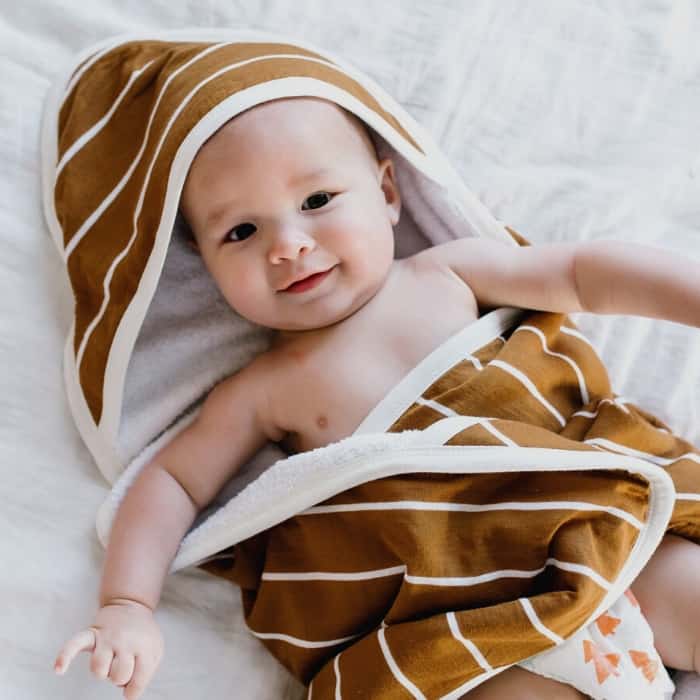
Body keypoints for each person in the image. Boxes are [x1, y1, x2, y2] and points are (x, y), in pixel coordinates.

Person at [53, 96, 700, 700]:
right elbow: (172, 482)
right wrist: (127, 604)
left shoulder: (447, 271)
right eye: (242, 231)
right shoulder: (259, 391)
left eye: (317, 198)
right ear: (208, 266)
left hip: (590, 519)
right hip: (465, 612)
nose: (287, 245)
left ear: (388, 193)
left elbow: (580, 274)